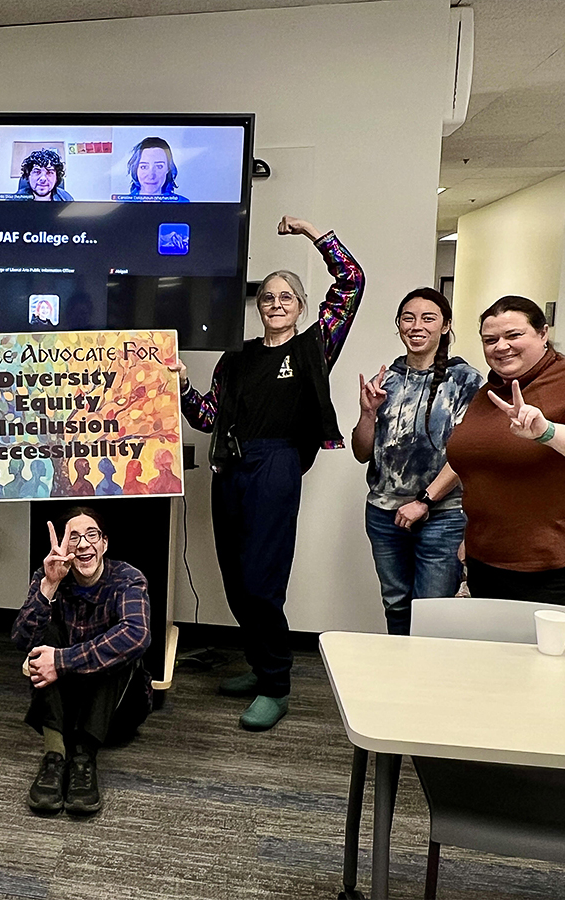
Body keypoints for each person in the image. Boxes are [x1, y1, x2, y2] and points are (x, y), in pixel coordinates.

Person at [175, 216, 364, 731]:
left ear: (302, 308)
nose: (275, 305)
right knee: (236, 579)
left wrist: (311, 231)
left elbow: (351, 283)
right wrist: (185, 386)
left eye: (286, 298)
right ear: (258, 308)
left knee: (262, 580)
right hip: (230, 466)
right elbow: (208, 418)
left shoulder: (313, 348)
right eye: (268, 299)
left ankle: (277, 685)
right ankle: (260, 668)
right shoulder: (235, 360)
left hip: (277, 464)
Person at [433, 296, 565, 608]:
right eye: (490, 340)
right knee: (492, 656)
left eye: (514, 335)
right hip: (487, 561)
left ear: (543, 333)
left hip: (561, 568)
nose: (501, 346)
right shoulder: (490, 393)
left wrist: (547, 432)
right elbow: (484, 469)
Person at [351, 288, 483, 634]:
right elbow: (362, 451)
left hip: (442, 515)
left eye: (428, 318)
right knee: (395, 603)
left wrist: (424, 501)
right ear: (398, 325)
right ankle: (399, 678)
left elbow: (464, 453)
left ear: (446, 326)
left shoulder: (466, 381)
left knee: (432, 611)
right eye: (408, 318)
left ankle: (428, 685)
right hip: (383, 513)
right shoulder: (387, 380)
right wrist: (368, 413)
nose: (417, 325)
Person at [13, 508, 152, 816]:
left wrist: (61, 661)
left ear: (104, 544)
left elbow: (138, 636)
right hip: (63, 712)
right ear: (64, 547)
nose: (83, 544)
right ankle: (54, 756)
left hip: (117, 713)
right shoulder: (49, 574)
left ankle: (84, 760)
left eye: (92, 535)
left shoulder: (128, 579)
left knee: (120, 644)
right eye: (73, 537)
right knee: (42, 636)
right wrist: (48, 586)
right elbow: (22, 639)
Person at [124, 137, 188, 202]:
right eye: (144, 167)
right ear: (135, 169)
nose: (151, 176)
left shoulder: (183, 203)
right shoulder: (123, 205)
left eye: (159, 166)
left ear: (168, 169)